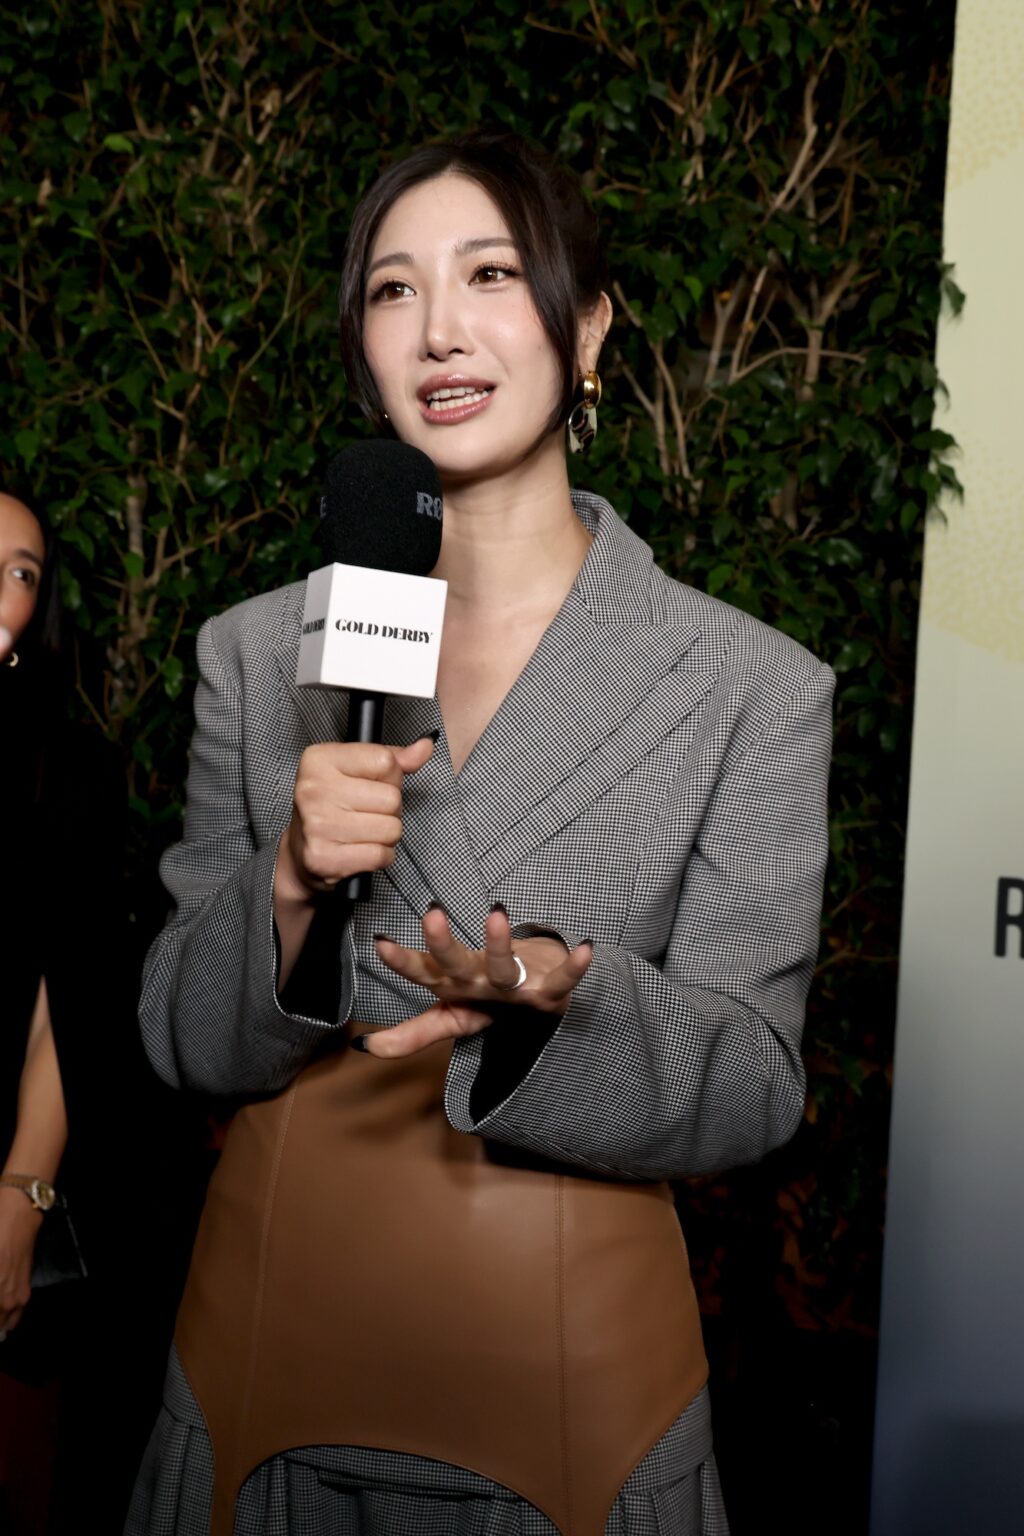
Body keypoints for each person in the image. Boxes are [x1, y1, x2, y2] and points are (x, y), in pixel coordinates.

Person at [127, 130, 834, 1536]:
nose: (440, 328)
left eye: (492, 274)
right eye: (393, 292)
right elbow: (179, 1042)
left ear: (588, 329)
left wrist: (559, 1000)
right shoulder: (265, 654)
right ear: (362, 348)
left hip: (573, 1394)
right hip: (267, 1364)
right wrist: (282, 889)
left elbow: (757, 1083)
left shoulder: (747, 684)